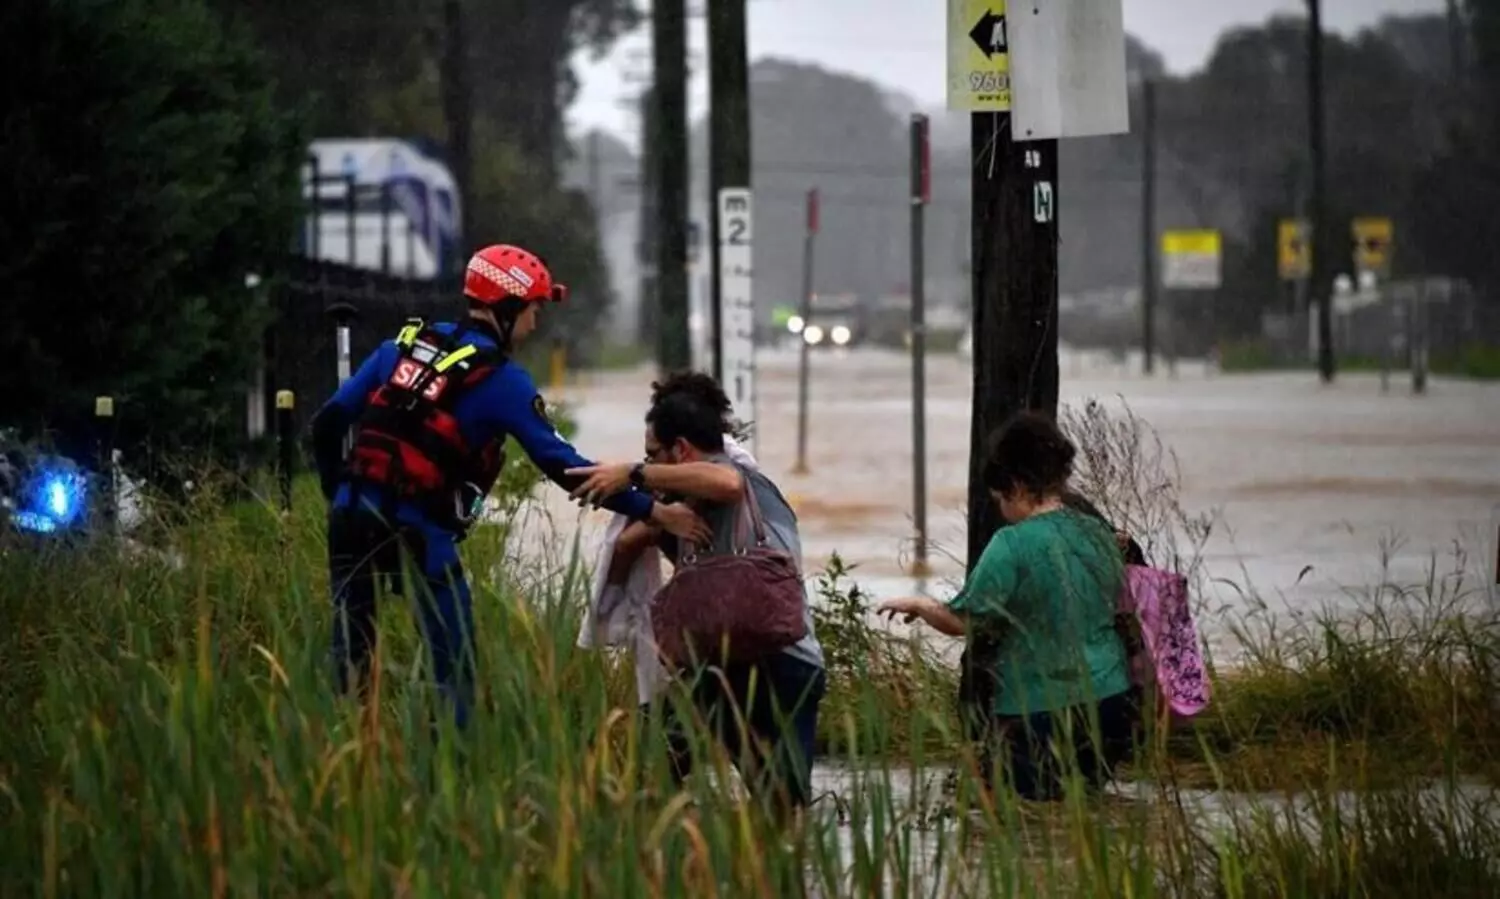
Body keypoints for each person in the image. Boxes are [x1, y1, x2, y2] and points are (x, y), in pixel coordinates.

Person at [308, 244, 708, 730]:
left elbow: (326, 425)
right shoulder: (501, 380)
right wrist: (654, 510)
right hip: (418, 534)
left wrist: (340, 495)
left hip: (349, 519)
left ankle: (338, 760)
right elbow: (566, 468)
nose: (535, 323)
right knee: (453, 668)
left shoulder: (401, 347)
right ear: (508, 307)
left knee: (349, 659)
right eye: (534, 309)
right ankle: (446, 776)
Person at [566, 371, 828, 814]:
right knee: (646, 771)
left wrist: (632, 473)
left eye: (654, 455)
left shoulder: (738, 476)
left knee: (783, 806)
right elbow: (625, 564)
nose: (649, 465)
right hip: (721, 670)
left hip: (785, 665)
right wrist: (649, 524)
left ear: (681, 451)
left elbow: (726, 484)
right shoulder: (680, 511)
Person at [877, 411, 1135, 801]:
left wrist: (922, 604)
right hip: (1112, 702)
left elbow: (963, 620)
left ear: (1015, 486)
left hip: (1041, 712)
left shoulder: (1010, 544)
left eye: (999, 498)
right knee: (1083, 814)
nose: (1000, 508)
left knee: (1019, 826)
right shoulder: (1098, 533)